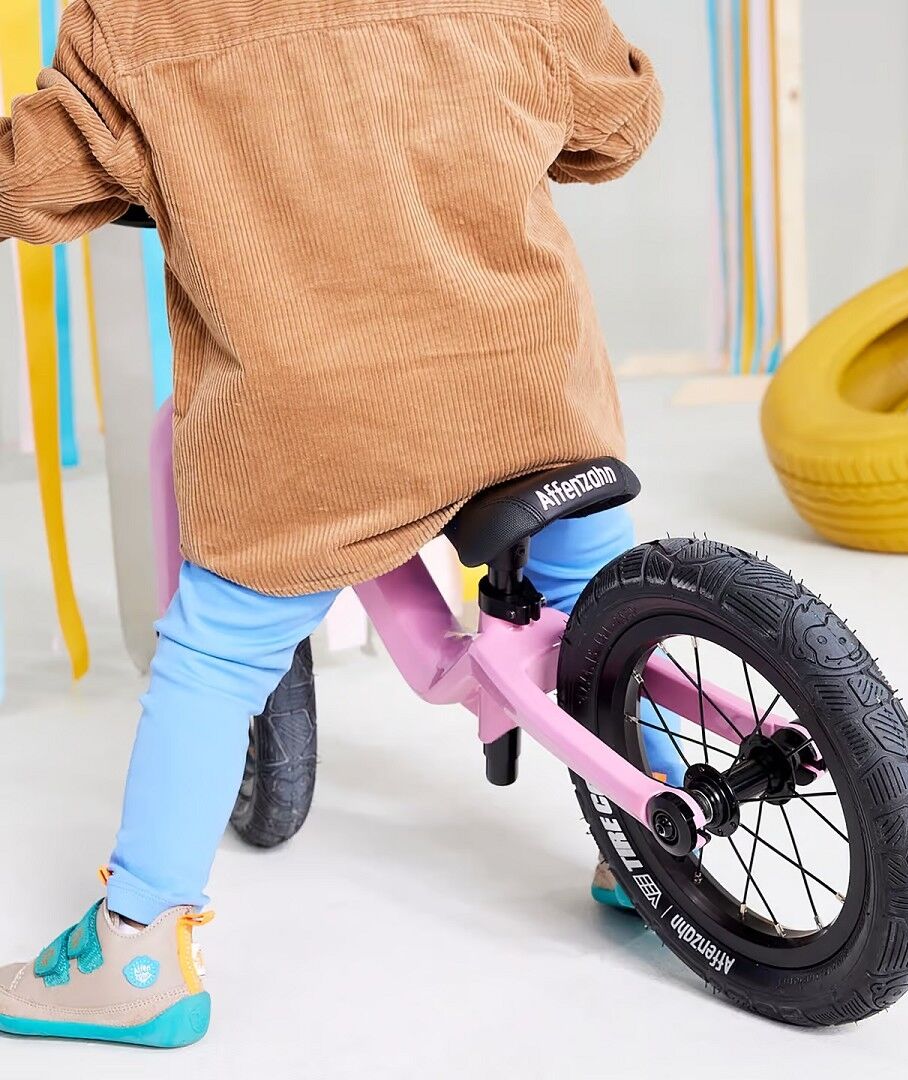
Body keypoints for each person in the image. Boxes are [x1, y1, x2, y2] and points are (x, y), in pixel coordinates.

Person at [0, 0, 672, 1047]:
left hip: (317, 421)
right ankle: (658, 840)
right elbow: (619, 124)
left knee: (218, 652)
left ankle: (137, 953)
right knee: (601, 604)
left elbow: (33, 179)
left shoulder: (134, 20)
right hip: (532, 389)